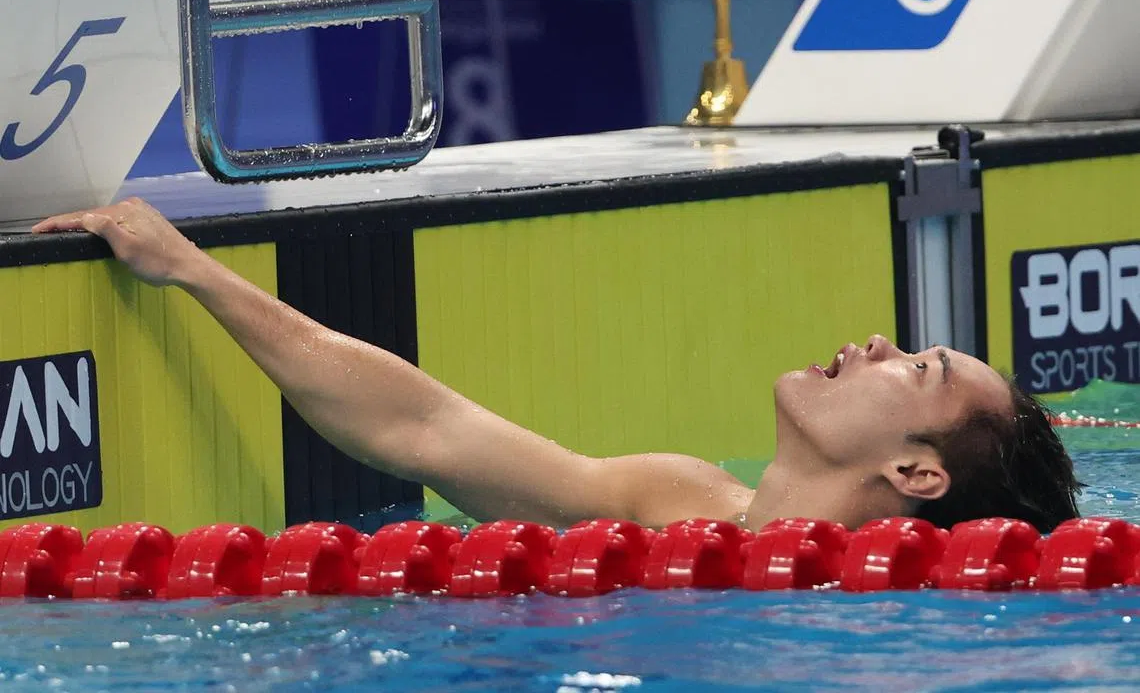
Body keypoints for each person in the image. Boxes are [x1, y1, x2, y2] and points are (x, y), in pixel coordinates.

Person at [33, 199, 1083, 533]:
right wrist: (194, 272)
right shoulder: (672, 499)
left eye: (919, 368)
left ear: (919, 472)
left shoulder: (893, 639)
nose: (874, 343)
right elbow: (425, 430)